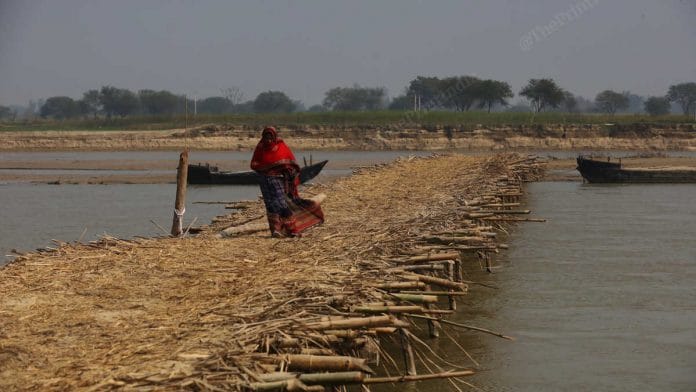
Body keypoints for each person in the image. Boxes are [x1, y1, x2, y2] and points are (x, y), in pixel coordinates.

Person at [250, 126, 324, 237]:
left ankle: (292, 230)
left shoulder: (281, 146)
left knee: (281, 204)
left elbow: (291, 164)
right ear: (263, 138)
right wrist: (265, 168)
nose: (268, 140)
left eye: (270, 137)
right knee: (270, 205)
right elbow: (254, 164)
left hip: (278, 180)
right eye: (266, 137)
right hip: (265, 181)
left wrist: (287, 173)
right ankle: (276, 230)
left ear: (274, 137)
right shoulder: (260, 148)